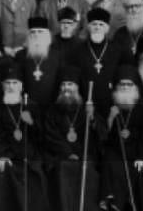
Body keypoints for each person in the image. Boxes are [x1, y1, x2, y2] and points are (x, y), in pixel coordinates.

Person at [0, 62, 48, 211]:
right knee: (5, 174)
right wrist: (2, 155)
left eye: (15, 83)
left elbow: (41, 136)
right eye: (7, 83)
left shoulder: (31, 105)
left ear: (21, 86)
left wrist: (31, 122)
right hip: (8, 154)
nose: (11, 86)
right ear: (2, 86)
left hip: (30, 155)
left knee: (34, 177)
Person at [43, 66, 102, 211]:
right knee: (63, 168)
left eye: (70, 84)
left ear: (77, 87)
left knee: (88, 170)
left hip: (85, 155)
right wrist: (68, 153)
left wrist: (92, 118)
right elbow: (51, 136)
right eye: (63, 84)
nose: (66, 88)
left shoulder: (86, 109)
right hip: (60, 156)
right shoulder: (52, 111)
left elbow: (99, 134)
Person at [99, 65, 143, 211]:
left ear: (136, 87)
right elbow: (105, 136)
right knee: (110, 162)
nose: (125, 87)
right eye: (122, 84)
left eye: (129, 84)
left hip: (137, 150)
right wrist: (111, 117)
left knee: (141, 172)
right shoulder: (110, 104)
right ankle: (113, 203)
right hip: (116, 149)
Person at [70, 8, 133, 112]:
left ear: (107, 28)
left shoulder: (118, 49)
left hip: (111, 102)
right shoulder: (78, 50)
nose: (97, 27)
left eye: (101, 24)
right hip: (86, 102)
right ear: (89, 27)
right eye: (94, 24)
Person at [14, 17, 66, 105]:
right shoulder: (20, 55)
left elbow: (60, 80)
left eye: (40, 31)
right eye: (33, 32)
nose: (36, 34)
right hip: (27, 104)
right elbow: (18, 80)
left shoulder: (57, 55)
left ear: (46, 34)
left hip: (51, 104)